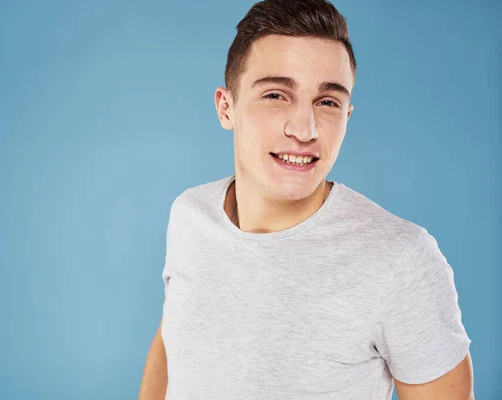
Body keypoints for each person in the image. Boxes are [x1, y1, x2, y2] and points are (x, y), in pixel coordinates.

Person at [138, 0, 474, 399]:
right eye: (276, 95)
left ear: (347, 116)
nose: (305, 129)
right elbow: (171, 340)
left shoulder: (401, 260)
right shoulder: (189, 214)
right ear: (226, 108)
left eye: (327, 101)